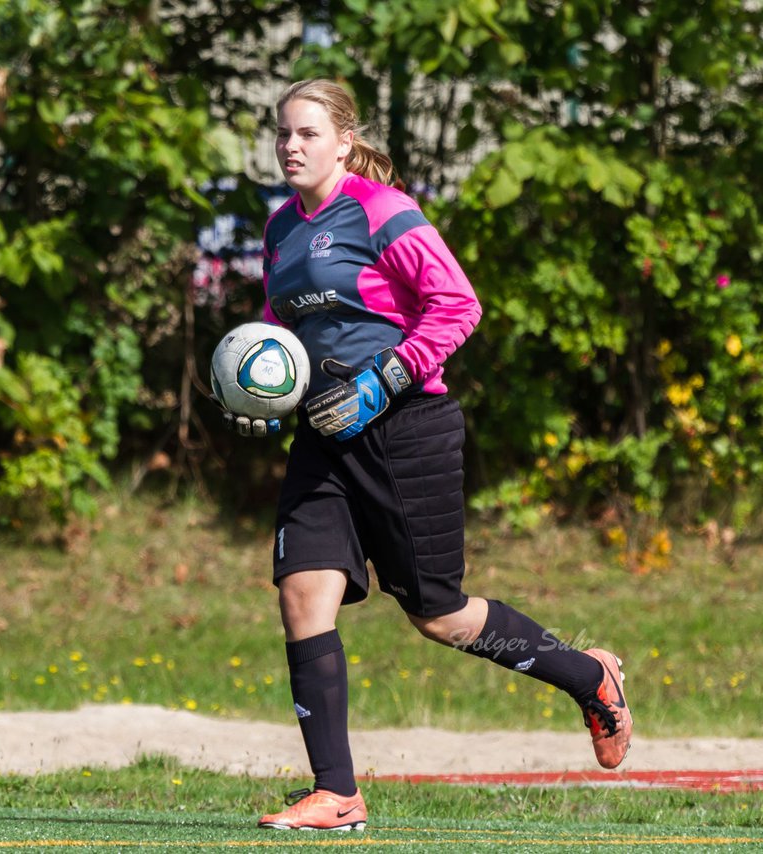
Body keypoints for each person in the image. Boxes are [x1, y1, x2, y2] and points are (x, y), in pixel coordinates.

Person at [222, 79, 632, 832]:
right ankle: (337, 795)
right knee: (300, 594)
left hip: (407, 428)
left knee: (438, 615)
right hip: (323, 436)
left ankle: (589, 677)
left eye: (308, 133)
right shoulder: (280, 229)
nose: (291, 146)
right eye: (283, 133)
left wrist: (386, 380)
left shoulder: (383, 212)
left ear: (343, 142)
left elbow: (459, 306)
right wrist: (261, 397)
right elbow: (279, 335)